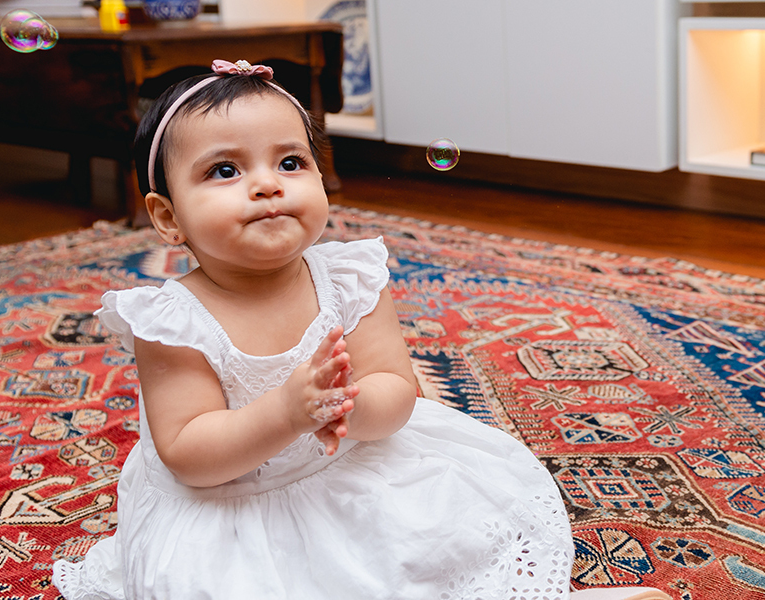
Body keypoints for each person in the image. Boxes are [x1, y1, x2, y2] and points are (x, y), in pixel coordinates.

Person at [52, 59, 574, 600]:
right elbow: (188, 454)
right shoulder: (171, 321)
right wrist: (287, 413)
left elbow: (397, 393)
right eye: (225, 170)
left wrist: (349, 405)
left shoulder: (350, 278)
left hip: (351, 467)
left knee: (445, 542)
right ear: (168, 217)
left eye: (290, 162)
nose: (266, 185)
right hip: (233, 508)